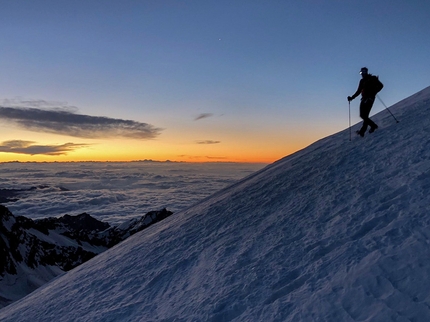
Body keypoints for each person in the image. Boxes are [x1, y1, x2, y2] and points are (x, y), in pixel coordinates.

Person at [348, 67, 379, 137]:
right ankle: (363, 131)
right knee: (364, 116)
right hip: (365, 99)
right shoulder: (362, 81)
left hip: (369, 99)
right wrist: (352, 97)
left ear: (366, 72)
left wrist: (374, 92)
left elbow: (381, 86)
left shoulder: (372, 79)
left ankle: (372, 126)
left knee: (363, 115)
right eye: (361, 72)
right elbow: (359, 91)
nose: (362, 74)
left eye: (364, 72)